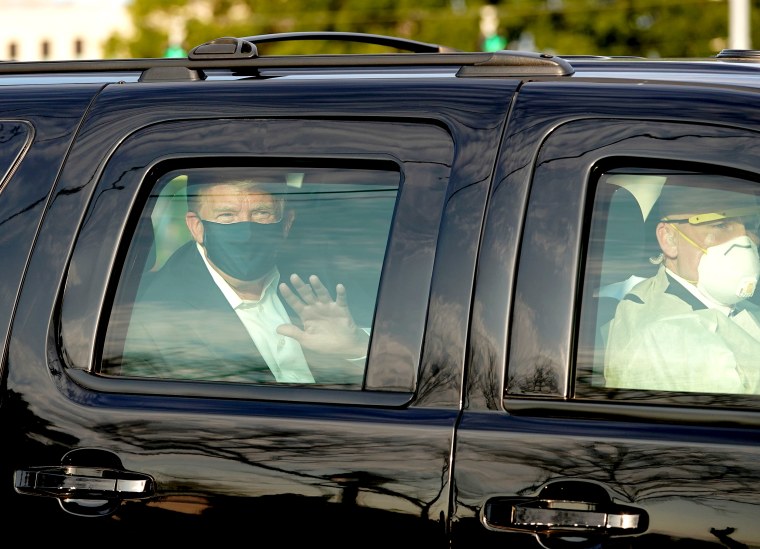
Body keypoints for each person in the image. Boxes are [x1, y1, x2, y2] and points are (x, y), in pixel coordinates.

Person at [118, 174, 369, 384]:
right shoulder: (154, 318)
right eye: (227, 216)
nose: (246, 231)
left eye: (261, 213)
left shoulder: (328, 276)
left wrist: (356, 348)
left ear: (286, 223)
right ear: (197, 227)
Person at [604, 174, 760, 394]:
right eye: (721, 224)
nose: (745, 239)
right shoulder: (661, 333)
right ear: (669, 239)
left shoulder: (733, 304)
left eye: (751, 225)